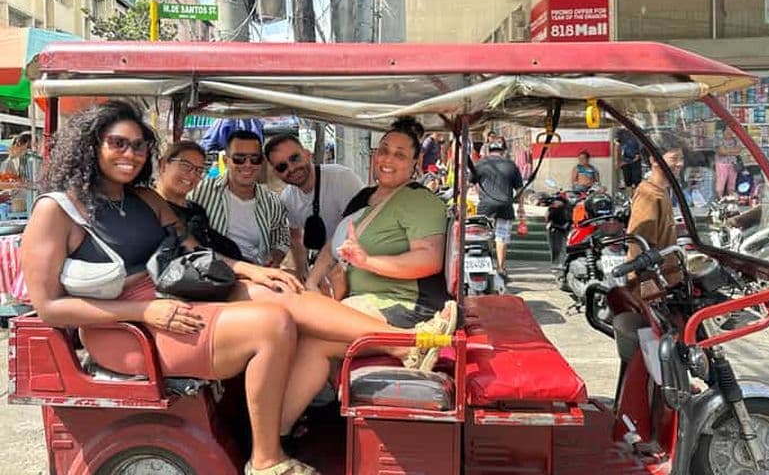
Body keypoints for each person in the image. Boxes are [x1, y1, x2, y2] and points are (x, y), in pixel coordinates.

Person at [22, 101, 456, 475]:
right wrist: (141, 313)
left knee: (282, 293)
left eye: (138, 146)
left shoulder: (144, 200)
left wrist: (252, 272)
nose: (130, 154)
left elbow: (197, 253)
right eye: (118, 143)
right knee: (273, 325)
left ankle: (404, 344)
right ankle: (266, 458)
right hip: (124, 330)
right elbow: (50, 307)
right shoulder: (57, 211)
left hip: (175, 298)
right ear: (91, 144)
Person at [304, 116, 450, 329]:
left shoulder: (420, 200)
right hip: (357, 299)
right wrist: (311, 283)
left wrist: (366, 262)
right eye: (384, 151)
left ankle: (404, 348)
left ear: (415, 163)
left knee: (307, 328)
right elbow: (333, 246)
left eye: (399, 155)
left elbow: (429, 258)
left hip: (403, 306)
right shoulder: (363, 197)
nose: (388, 160)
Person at [263, 133, 363, 280]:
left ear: (307, 154)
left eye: (295, 158)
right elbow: (295, 238)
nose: (291, 168)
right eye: (282, 167)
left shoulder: (341, 178)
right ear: (276, 173)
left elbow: (361, 227)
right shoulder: (288, 198)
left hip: (357, 261)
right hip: (327, 265)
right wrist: (303, 272)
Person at [190, 130, 289, 267]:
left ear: (261, 162)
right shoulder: (200, 192)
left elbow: (281, 237)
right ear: (226, 160)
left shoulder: (271, 201)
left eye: (255, 159)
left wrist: (275, 256)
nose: (247, 165)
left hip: (257, 274)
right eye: (239, 158)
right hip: (213, 274)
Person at [155, 140, 243, 260]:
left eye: (199, 170)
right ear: (163, 165)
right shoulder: (151, 209)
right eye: (186, 166)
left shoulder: (196, 210)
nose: (192, 175)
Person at [625, 131, 685, 292]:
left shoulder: (662, 190)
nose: (680, 164)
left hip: (668, 280)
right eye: (674, 159)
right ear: (653, 160)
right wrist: (645, 282)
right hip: (654, 285)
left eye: (681, 158)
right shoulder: (648, 195)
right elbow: (635, 241)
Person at [469, 140, 524, 279]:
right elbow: (519, 190)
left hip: (485, 206)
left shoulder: (481, 164)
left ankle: (484, 263)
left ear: (489, 150)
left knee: (483, 235)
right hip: (505, 205)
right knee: (501, 237)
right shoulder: (511, 165)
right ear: (504, 150)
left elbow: (469, 184)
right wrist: (520, 207)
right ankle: (500, 268)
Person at [715, 126, 741, 198]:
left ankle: (731, 198)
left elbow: (739, 150)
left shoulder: (736, 140)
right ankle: (719, 198)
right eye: (729, 129)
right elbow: (722, 152)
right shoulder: (719, 140)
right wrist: (733, 151)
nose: (731, 131)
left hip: (733, 163)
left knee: (732, 182)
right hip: (722, 164)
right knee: (721, 182)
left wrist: (727, 150)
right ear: (724, 130)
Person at [615, 129, 642, 194]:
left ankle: (636, 198)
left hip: (636, 160)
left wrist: (639, 155)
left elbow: (641, 146)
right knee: (628, 182)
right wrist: (616, 161)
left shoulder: (637, 131)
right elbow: (617, 146)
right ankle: (631, 199)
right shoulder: (621, 132)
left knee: (637, 181)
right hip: (625, 161)